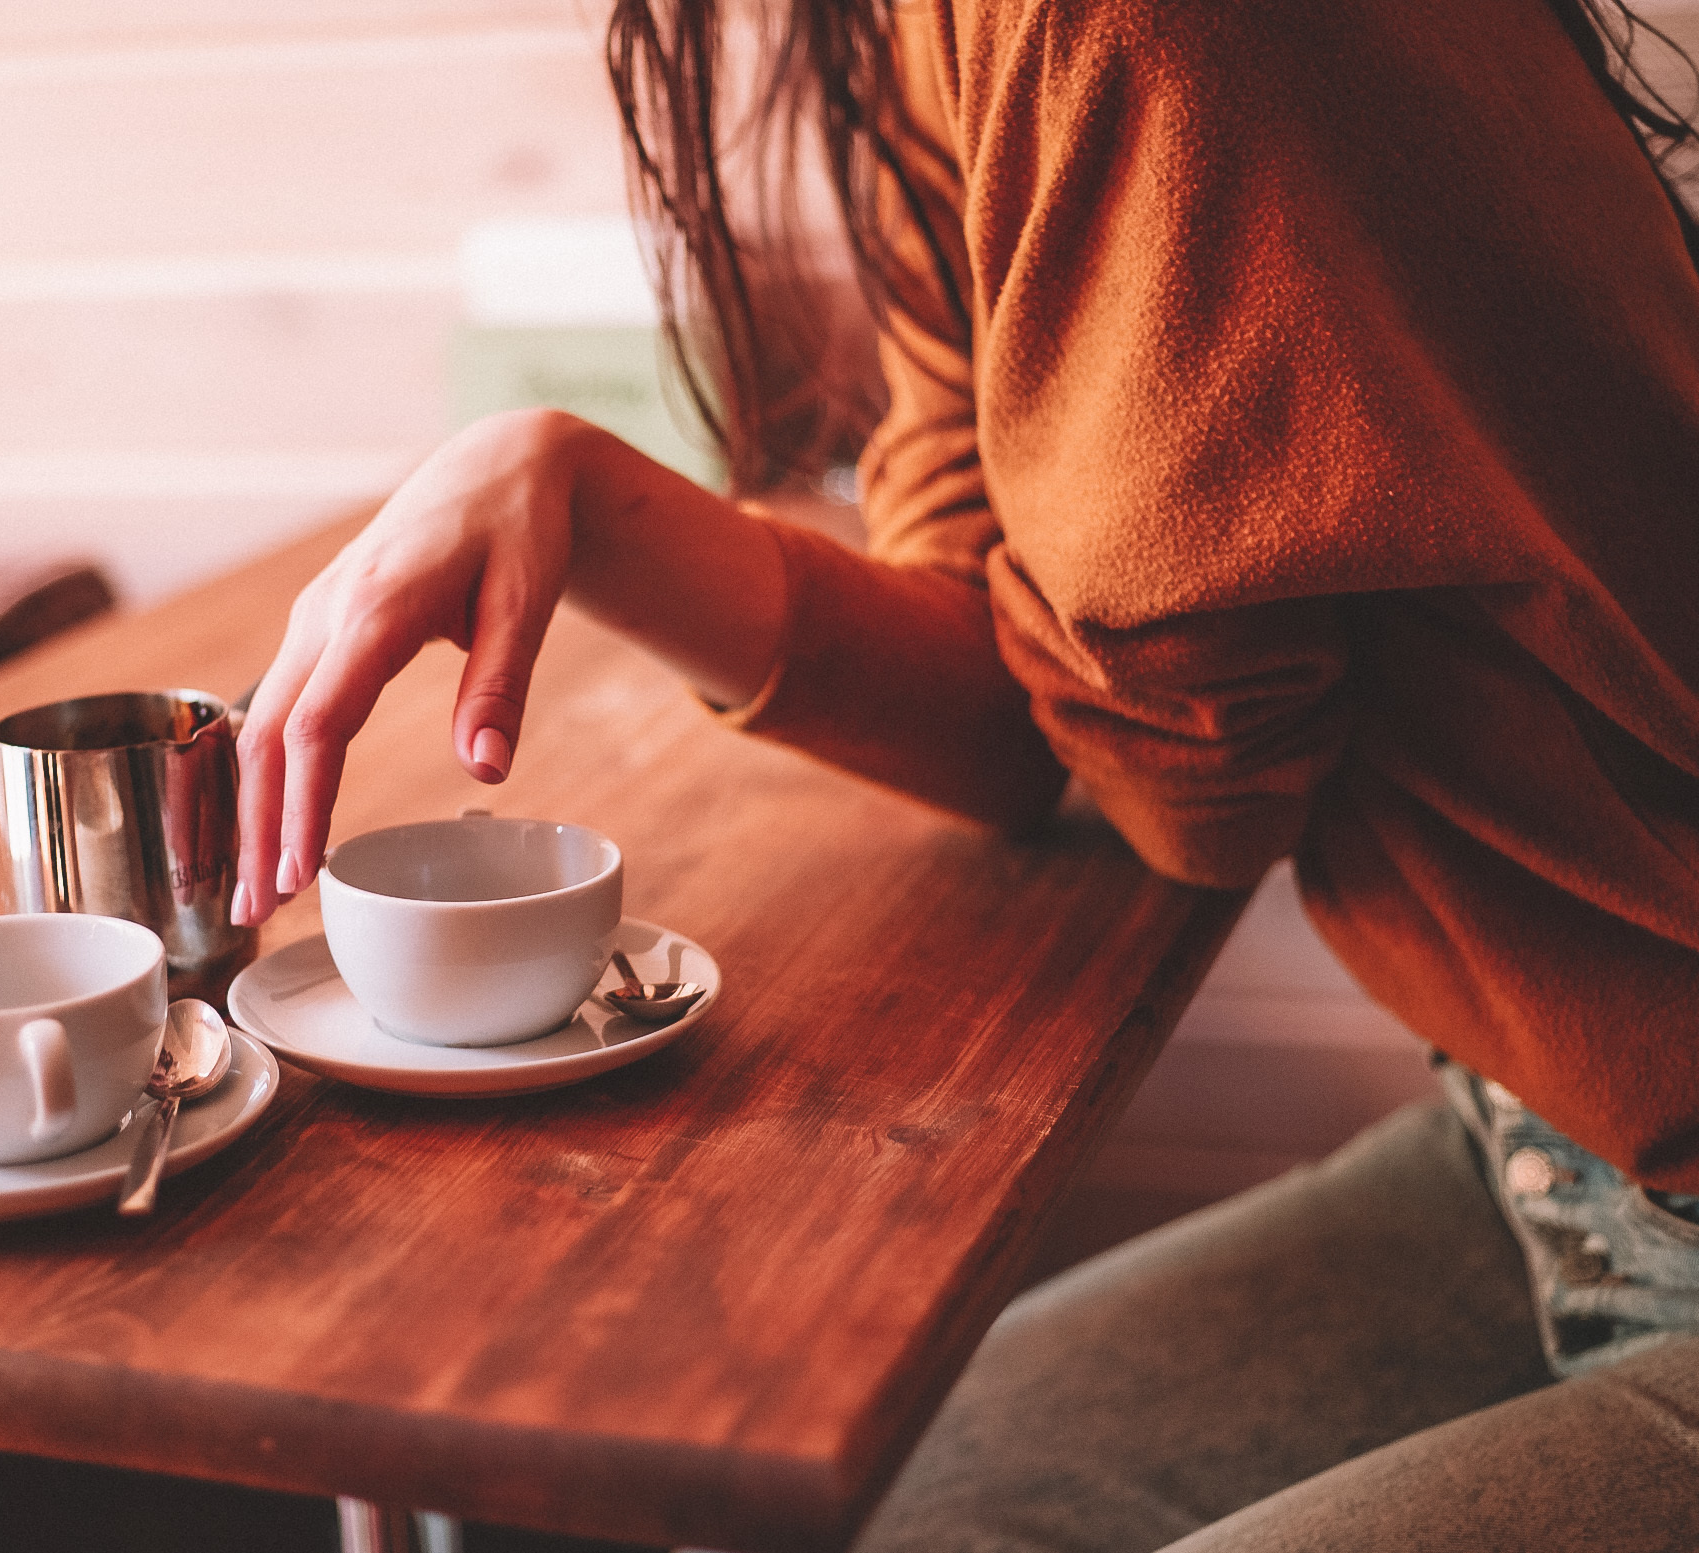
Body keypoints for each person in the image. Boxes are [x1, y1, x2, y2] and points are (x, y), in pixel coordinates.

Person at [232, 0, 1699, 1546]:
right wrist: (577, 493)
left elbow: (1198, 783)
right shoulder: (931, 31)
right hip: (1548, 1135)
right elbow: (1019, 699)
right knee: (868, 1518)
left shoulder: (1108, 25)